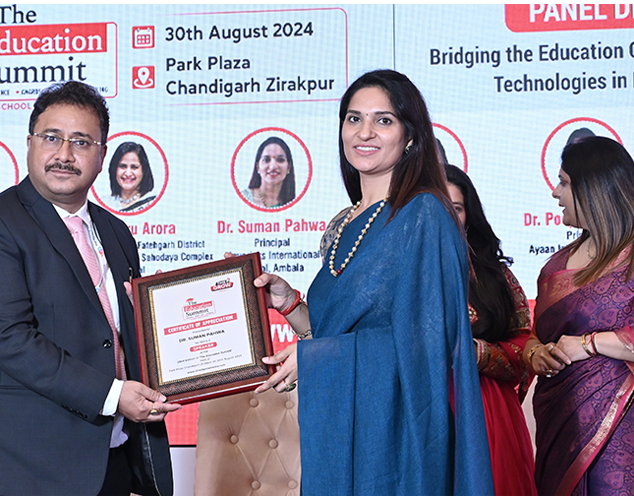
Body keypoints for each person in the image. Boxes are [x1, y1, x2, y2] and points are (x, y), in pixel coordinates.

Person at [252, 70, 493, 495]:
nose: (364, 132)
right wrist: (289, 304)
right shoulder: (346, 221)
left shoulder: (424, 214)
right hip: (336, 425)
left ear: (410, 136)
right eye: (354, 118)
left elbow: (428, 344)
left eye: (383, 120)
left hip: (395, 437)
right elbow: (332, 334)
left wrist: (319, 358)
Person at [0, 81, 179, 495]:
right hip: (25, 466)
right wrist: (112, 395)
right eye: (52, 138)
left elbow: (120, 336)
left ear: (102, 155)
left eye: (81, 142)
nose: (64, 155)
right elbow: (9, 338)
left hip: (111, 457)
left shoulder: (115, 231)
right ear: (29, 144)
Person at [523, 135, 634, 495]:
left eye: (565, 182)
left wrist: (588, 345)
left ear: (594, 188)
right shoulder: (555, 265)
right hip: (560, 423)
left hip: (622, 426)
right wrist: (537, 353)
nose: (555, 192)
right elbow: (537, 335)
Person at [444, 164, 537, 495]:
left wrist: (476, 353)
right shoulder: (396, 271)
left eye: (456, 208)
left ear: (469, 216)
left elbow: (525, 347)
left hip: (486, 409)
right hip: (420, 406)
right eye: (438, 206)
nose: (447, 217)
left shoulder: (495, 276)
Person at [242, 136, 296, 208]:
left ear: (288, 167)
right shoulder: (243, 198)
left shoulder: (294, 204)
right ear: (258, 167)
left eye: (280, 160)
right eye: (266, 160)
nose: (273, 166)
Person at [103, 142, 156, 212]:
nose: (128, 173)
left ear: (143, 170)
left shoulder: (153, 203)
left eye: (134, 167)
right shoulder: (105, 203)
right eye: (123, 166)